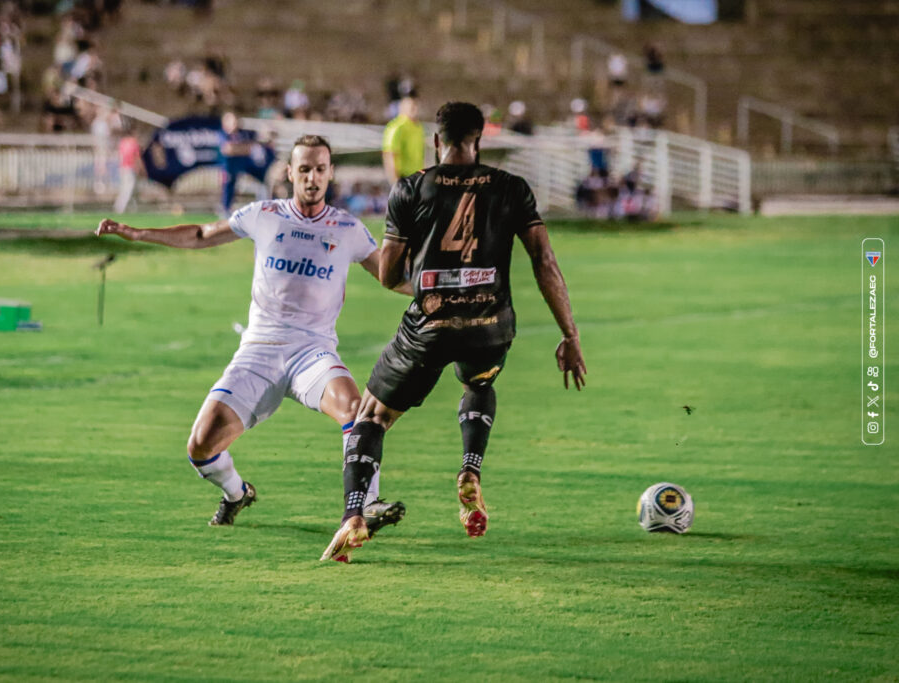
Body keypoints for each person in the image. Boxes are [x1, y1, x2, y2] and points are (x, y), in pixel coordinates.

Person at [96, 134, 409, 534]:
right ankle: (236, 493)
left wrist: (446, 290)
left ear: (330, 174)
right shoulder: (264, 214)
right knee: (200, 446)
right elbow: (201, 234)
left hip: (312, 352)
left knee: (355, 410)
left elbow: (391, 276)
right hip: (259, 350)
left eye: (320, 169)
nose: (312, 178)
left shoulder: (348, 229)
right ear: (289, 173)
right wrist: (138, 233)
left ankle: (367, 503)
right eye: (304, 169)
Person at [322, 102, 587, 562]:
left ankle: (354, 516)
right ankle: (469, 469)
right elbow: (544, 262)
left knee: (372, 416)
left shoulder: (411, 188)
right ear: (479, 140)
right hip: (491, 326)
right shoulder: (510, 188)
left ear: (437, 141)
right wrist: (570, 335)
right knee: (479, 380)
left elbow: (387, 274)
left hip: (430, 326)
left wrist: (425, 267)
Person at [216, 110, 275, 217]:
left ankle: (264, 209)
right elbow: (228, 149)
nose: (234, 123)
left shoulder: (244, 133)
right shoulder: (222, 134)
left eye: (235, 120)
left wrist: (239, 148)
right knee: (229, 187)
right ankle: (226, 210)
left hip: (246, 168)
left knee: (262, 185)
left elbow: (258, 143)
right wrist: (246, 148)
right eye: (231, 120)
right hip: (230, 169)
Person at [381, 95, 424, 184]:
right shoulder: (396, 127)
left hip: (417, 176)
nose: (415, 110)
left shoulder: (418, 127)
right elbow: (390, 154)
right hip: (403, 177)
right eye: (412, 107)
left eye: (416, 106)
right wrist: (395, 182)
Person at [113, 125, 143, 214]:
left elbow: (120, 156)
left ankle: (133, 208)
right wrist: (140, 168)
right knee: (128, 189)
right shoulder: (134, 143)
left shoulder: (123, 142)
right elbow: (137, 157)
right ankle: (120, 208)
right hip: (131, 168)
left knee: (132, 189)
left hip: (123, 167)